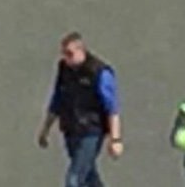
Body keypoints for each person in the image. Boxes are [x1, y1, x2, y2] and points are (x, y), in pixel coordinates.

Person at [37, 31, 122, 187]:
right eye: (64, 54)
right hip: (70, 129)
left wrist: (115, 139)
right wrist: (46, 129)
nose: (66, 59)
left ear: (80, 50)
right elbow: (57, 99)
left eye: (70, 54)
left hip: (91, 131)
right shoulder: (64, 70)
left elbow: (112, 107)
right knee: (88, 177)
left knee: (74, 180)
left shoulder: (98, 72)